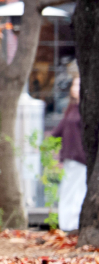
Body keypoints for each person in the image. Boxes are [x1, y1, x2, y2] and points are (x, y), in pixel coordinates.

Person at [50, 68, 87, 233]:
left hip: (81, 157)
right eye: (74, 85)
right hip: (70, 157)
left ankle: (72, 224)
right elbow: (59, 130)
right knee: (68, 190)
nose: (75, 88)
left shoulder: (86, 110)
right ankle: (66, 225)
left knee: (77, 190)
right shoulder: (71, 108)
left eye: (79, 85)